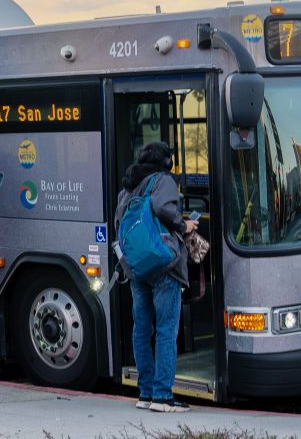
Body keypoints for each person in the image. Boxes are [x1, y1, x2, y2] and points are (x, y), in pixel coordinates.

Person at [115, 141, 197, 413]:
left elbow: (119, 223)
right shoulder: (162, 181)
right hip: (164, 266)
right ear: (166, 163)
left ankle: (146, 393)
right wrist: (184, 225)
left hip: (138, 268)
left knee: (141, 329)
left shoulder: (128, 187)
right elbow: (164, 208)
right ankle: (163, 396)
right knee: (165, 330)